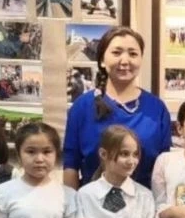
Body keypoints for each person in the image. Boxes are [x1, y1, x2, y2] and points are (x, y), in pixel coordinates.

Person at [63, 27, 172, 189]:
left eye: (133, 54)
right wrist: (72, 203)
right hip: (92, 203)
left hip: (145, 203)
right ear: (102, 60)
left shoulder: (156, 109)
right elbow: (70, 165)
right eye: (116, 53)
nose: (125, 60)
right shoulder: (82, 107)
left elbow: (164, 168)